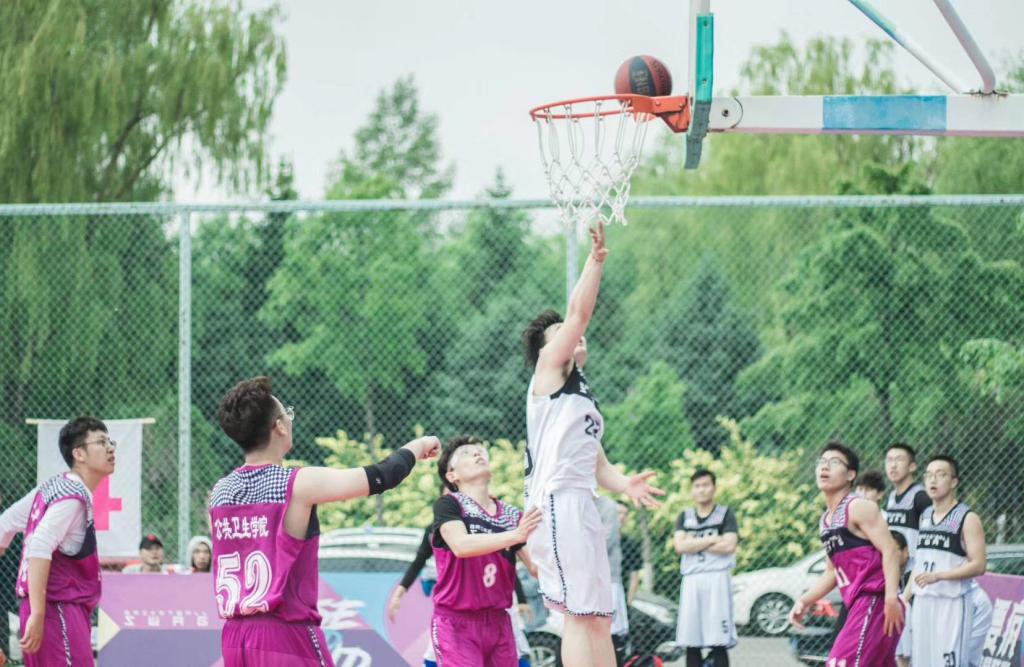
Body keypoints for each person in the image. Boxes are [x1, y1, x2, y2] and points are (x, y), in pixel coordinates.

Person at [209, 376, 439, 667]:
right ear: (279, 426)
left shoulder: (220, 493)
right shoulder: (296, 484)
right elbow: (383, 476)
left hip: (235, 638)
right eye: (287, 414)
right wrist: (420, 444)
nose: (290, 419)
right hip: (284, 634)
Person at [522, 222, 664, 667]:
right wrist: (595, 260)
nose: (572, 333)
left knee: (600, 617)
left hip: (581, 501)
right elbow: (579, 314)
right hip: (557, 502)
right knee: (580, 616)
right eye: (561, 332)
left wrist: (625, 484)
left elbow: (598, 463)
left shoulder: (579, 396)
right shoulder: (548, 371)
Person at [0, 417, 116, 666]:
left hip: (45, 608)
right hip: (56, 608)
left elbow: (5, 524)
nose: (110, 448)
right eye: (101, 442)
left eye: (110, 442)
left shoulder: (53, 486)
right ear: (79, 454)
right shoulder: (72, 497)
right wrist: (39, 612)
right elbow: (40, 545)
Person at [789, 442, 904, 666]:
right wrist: (804, 600)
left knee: (839, 663)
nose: (825, 466)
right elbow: (832, 572)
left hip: (875, 601)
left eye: (834, 462)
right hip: (858, 604)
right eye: (822, 462)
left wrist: (891, 597)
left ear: (851, 474)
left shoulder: (858, 507)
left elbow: (890, 549)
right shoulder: (825, 521)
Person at [430, 437, 542, 666]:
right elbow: (461, 546)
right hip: (457, 622)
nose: (477, 454)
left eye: (480, 451)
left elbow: (536, 568)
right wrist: (515, 535)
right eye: (466, 453)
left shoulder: (511, 515)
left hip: (499, 622)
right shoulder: (449, 505)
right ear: (452, 476)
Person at [388, 502, 535, 666]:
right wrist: (398, 594)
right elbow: (418, 562)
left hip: (493, 609)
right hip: (457, 612)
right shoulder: (436, 530)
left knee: (517, 650)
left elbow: (506, 565)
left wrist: (522, 599)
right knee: (434, 655)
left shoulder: (487, 524)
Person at [906, 455, 992, 667]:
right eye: (928, 475)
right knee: (922, 663)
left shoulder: (967, 517)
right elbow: (919, 563)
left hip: (952, 602)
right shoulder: (925, 515)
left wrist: (939, 576)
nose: (933, 479)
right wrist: (904, 598)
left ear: (954, 481)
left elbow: (979, 565)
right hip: (923, 601)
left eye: (940, 474)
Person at [672, 469, 738, 667]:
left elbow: (729, 546)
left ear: (714, 488)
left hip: (717, 578)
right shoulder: (684, 516)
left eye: (706, 485)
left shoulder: (725, 514)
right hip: (692, 580)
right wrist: (713, 538)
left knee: (718, 641)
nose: (701, 490)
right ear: (692, 490)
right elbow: (680, 546)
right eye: (697, 486)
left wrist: (693, 541)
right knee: (691, 641)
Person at [884, 442, 931, 666]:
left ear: (912, 466)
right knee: (900, 649)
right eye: (889, 460)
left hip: (917, 575)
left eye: (899, 460)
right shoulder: (891, 498)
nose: (893, 465)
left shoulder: (920, 497)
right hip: (897, 577)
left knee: (918, 646)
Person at [596, 496, 632, 665]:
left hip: (609, 582)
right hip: (586, 583)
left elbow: (604, 544)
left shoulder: (608, 507)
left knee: (612, 634)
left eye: (623, 514)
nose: (620, 517)